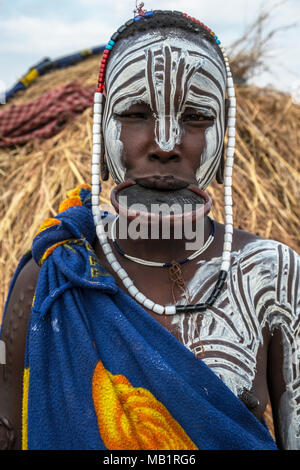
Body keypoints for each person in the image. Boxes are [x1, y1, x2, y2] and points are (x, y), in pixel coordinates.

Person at [0, 8, 299, 451]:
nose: (164, 144)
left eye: (196, 116)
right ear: (101, 136)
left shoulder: (271, 276)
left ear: (225, 140)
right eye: (136, 113)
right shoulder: (53, 276)